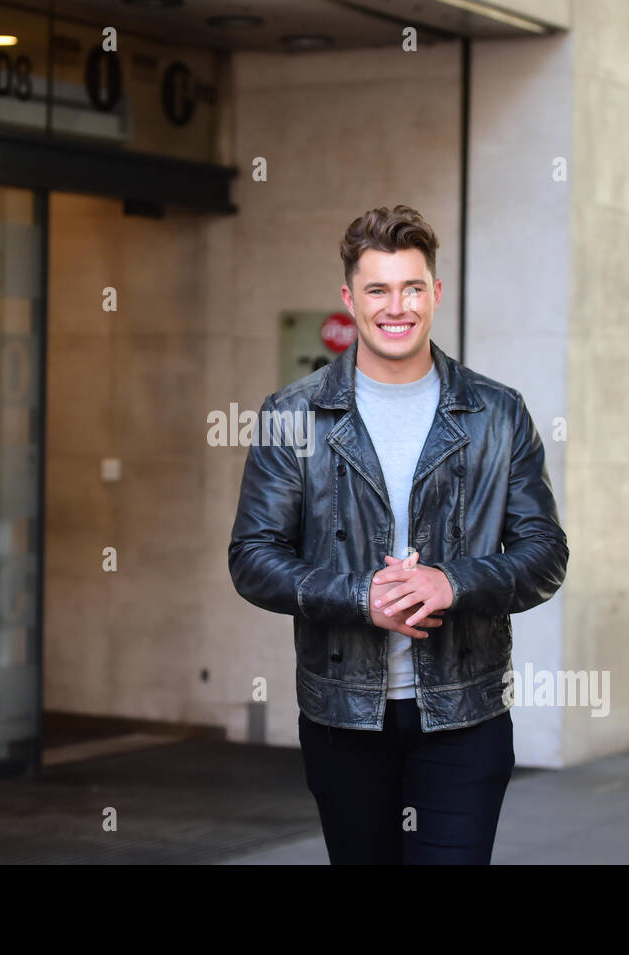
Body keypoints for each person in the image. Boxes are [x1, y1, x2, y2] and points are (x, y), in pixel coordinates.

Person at [228, 204, 568, 864]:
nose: (397, 306)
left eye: (413, 287)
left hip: (464, 716)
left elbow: (545, 552)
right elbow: (252, 556)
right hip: (343, 718)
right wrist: (363, 597)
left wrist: (452, 581)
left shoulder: (498, 413)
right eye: (378, 289)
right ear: (349, 297)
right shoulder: (292, 414)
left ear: (435, 293)